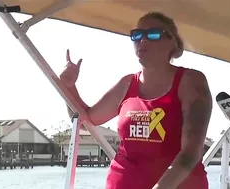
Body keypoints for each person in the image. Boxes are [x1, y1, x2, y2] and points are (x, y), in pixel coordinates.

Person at [60, 12, 213, 189]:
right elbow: (86, 121)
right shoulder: (127, 83)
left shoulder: (191, 81)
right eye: (137, 35)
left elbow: (191, 151)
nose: (143, 40)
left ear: (173, 42)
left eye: (153, 34)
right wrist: (68, 87)